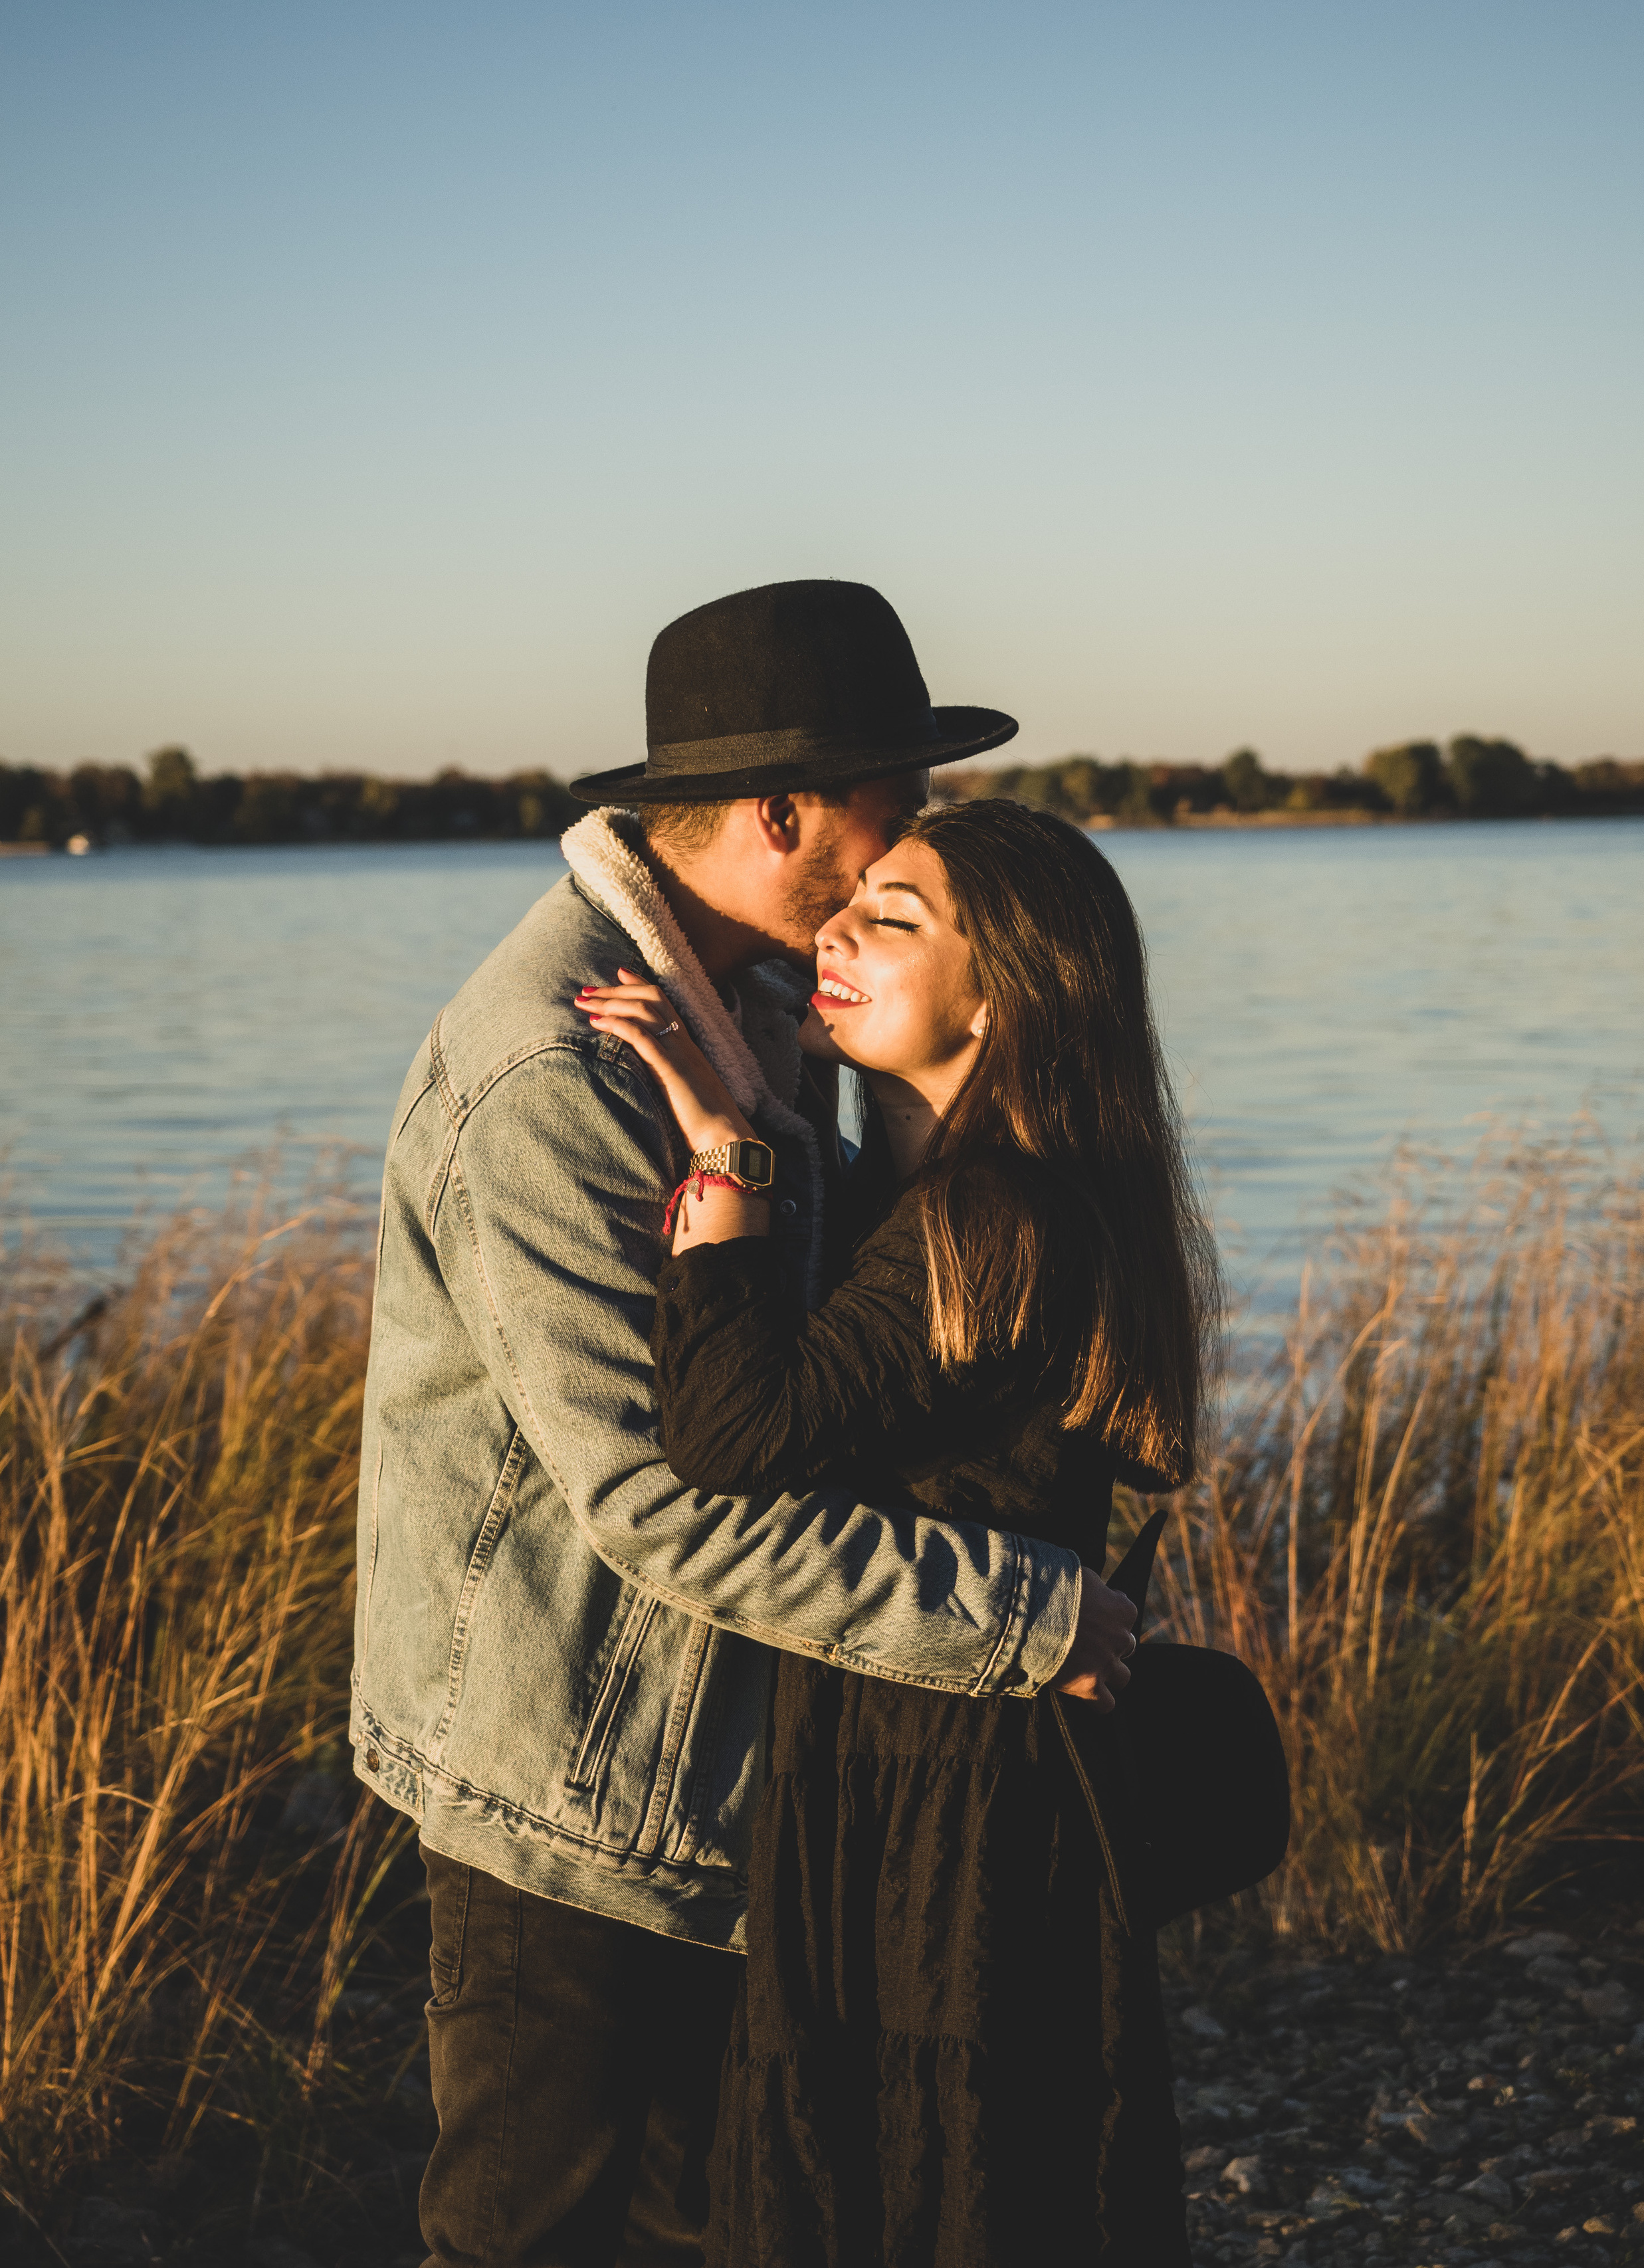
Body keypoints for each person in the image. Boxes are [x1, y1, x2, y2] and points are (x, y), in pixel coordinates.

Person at [350, 580, 1144, 2266]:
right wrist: (1015, 1616)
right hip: (574, 1791)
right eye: (895, 804)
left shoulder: (765, 1004)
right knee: (525, 2239)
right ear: (787, 811)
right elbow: (657, 1508)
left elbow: (849, 1342)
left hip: (732, 1781)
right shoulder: (561, 1071)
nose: (904, 842)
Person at [579, 795, 1215, 2265]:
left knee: (933, 2179)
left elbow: (734, 1439)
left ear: (1000, 997)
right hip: (929, 1748)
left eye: (895, 917)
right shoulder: (919, 1197)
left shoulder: (990, 1217)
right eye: (849, 899)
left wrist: (727, 1153)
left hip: (954, 1787)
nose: (838, 927)